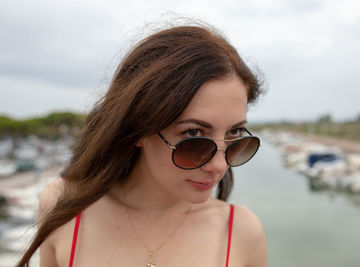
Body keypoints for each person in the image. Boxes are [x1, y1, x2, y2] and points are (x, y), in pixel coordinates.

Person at [17, 23, 267, 267]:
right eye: (193, 133)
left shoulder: (242, 232)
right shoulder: (62, 205)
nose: (218, 166)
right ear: (139, 129)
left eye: (234, 132)